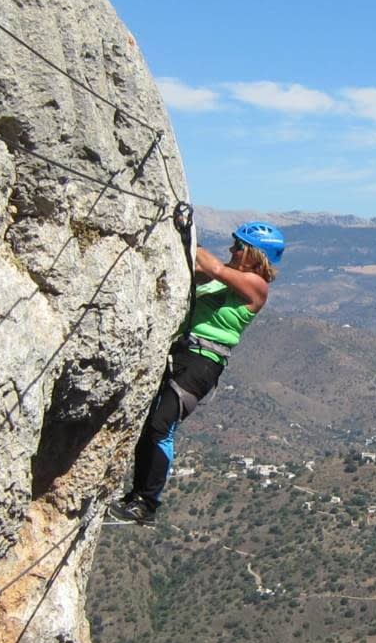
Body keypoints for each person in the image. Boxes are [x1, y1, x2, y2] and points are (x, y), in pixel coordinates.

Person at [115, 217, 285, 524]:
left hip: (202, 363)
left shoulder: (256, 286)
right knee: (151, 426)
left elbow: (214, 267)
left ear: (255, 255)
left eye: (239, 246)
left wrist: (185, 229)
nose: (232, 250)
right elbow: (202, 271)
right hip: (185, 355)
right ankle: (136, 497)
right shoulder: (228, 277)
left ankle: (147, 503)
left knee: (161, 425)